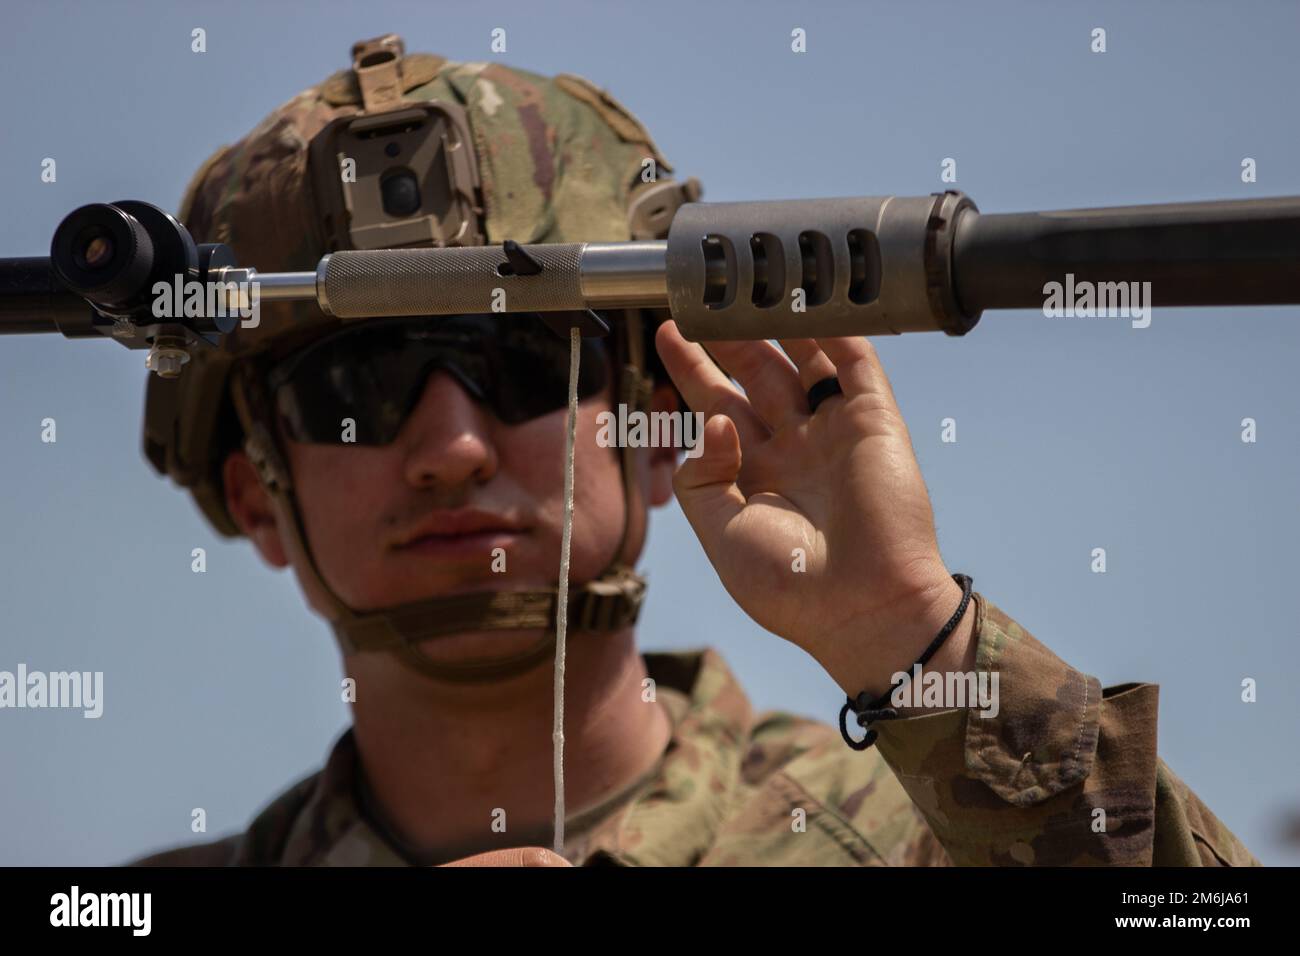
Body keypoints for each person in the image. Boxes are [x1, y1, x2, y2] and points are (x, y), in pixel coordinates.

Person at [132, 36, 1256, 867]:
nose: (454, 446)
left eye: (524, 365)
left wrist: (913, 633)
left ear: (660, 423)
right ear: (258, 493)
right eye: (355, 390)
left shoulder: (916, 840)